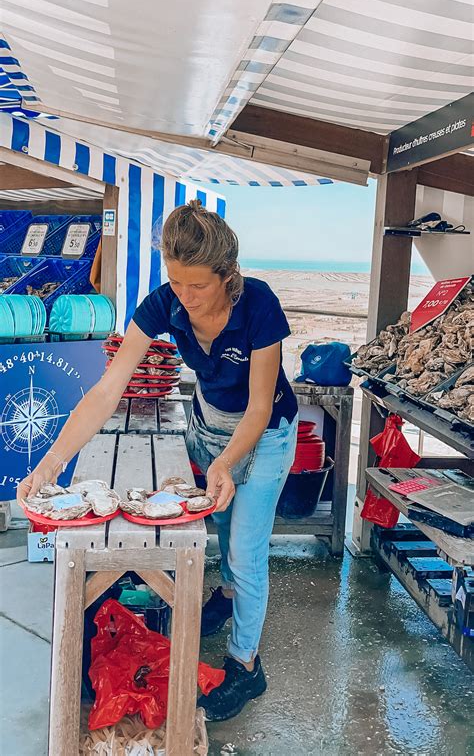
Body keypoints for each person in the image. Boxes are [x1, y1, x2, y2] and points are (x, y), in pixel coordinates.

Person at [17, 200, 298, 721]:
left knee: (246, 547)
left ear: (228, 276)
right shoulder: (163, 303)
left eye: (199, 286)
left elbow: (260, 406)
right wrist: (49, 465)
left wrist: (224, 463)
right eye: (177, 282)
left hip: (266, 435)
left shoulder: (259, 304)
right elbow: (106, 391)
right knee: (223, 526)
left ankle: (245, 665)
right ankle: (230, 596)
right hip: (210, 425)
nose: (186, 298)